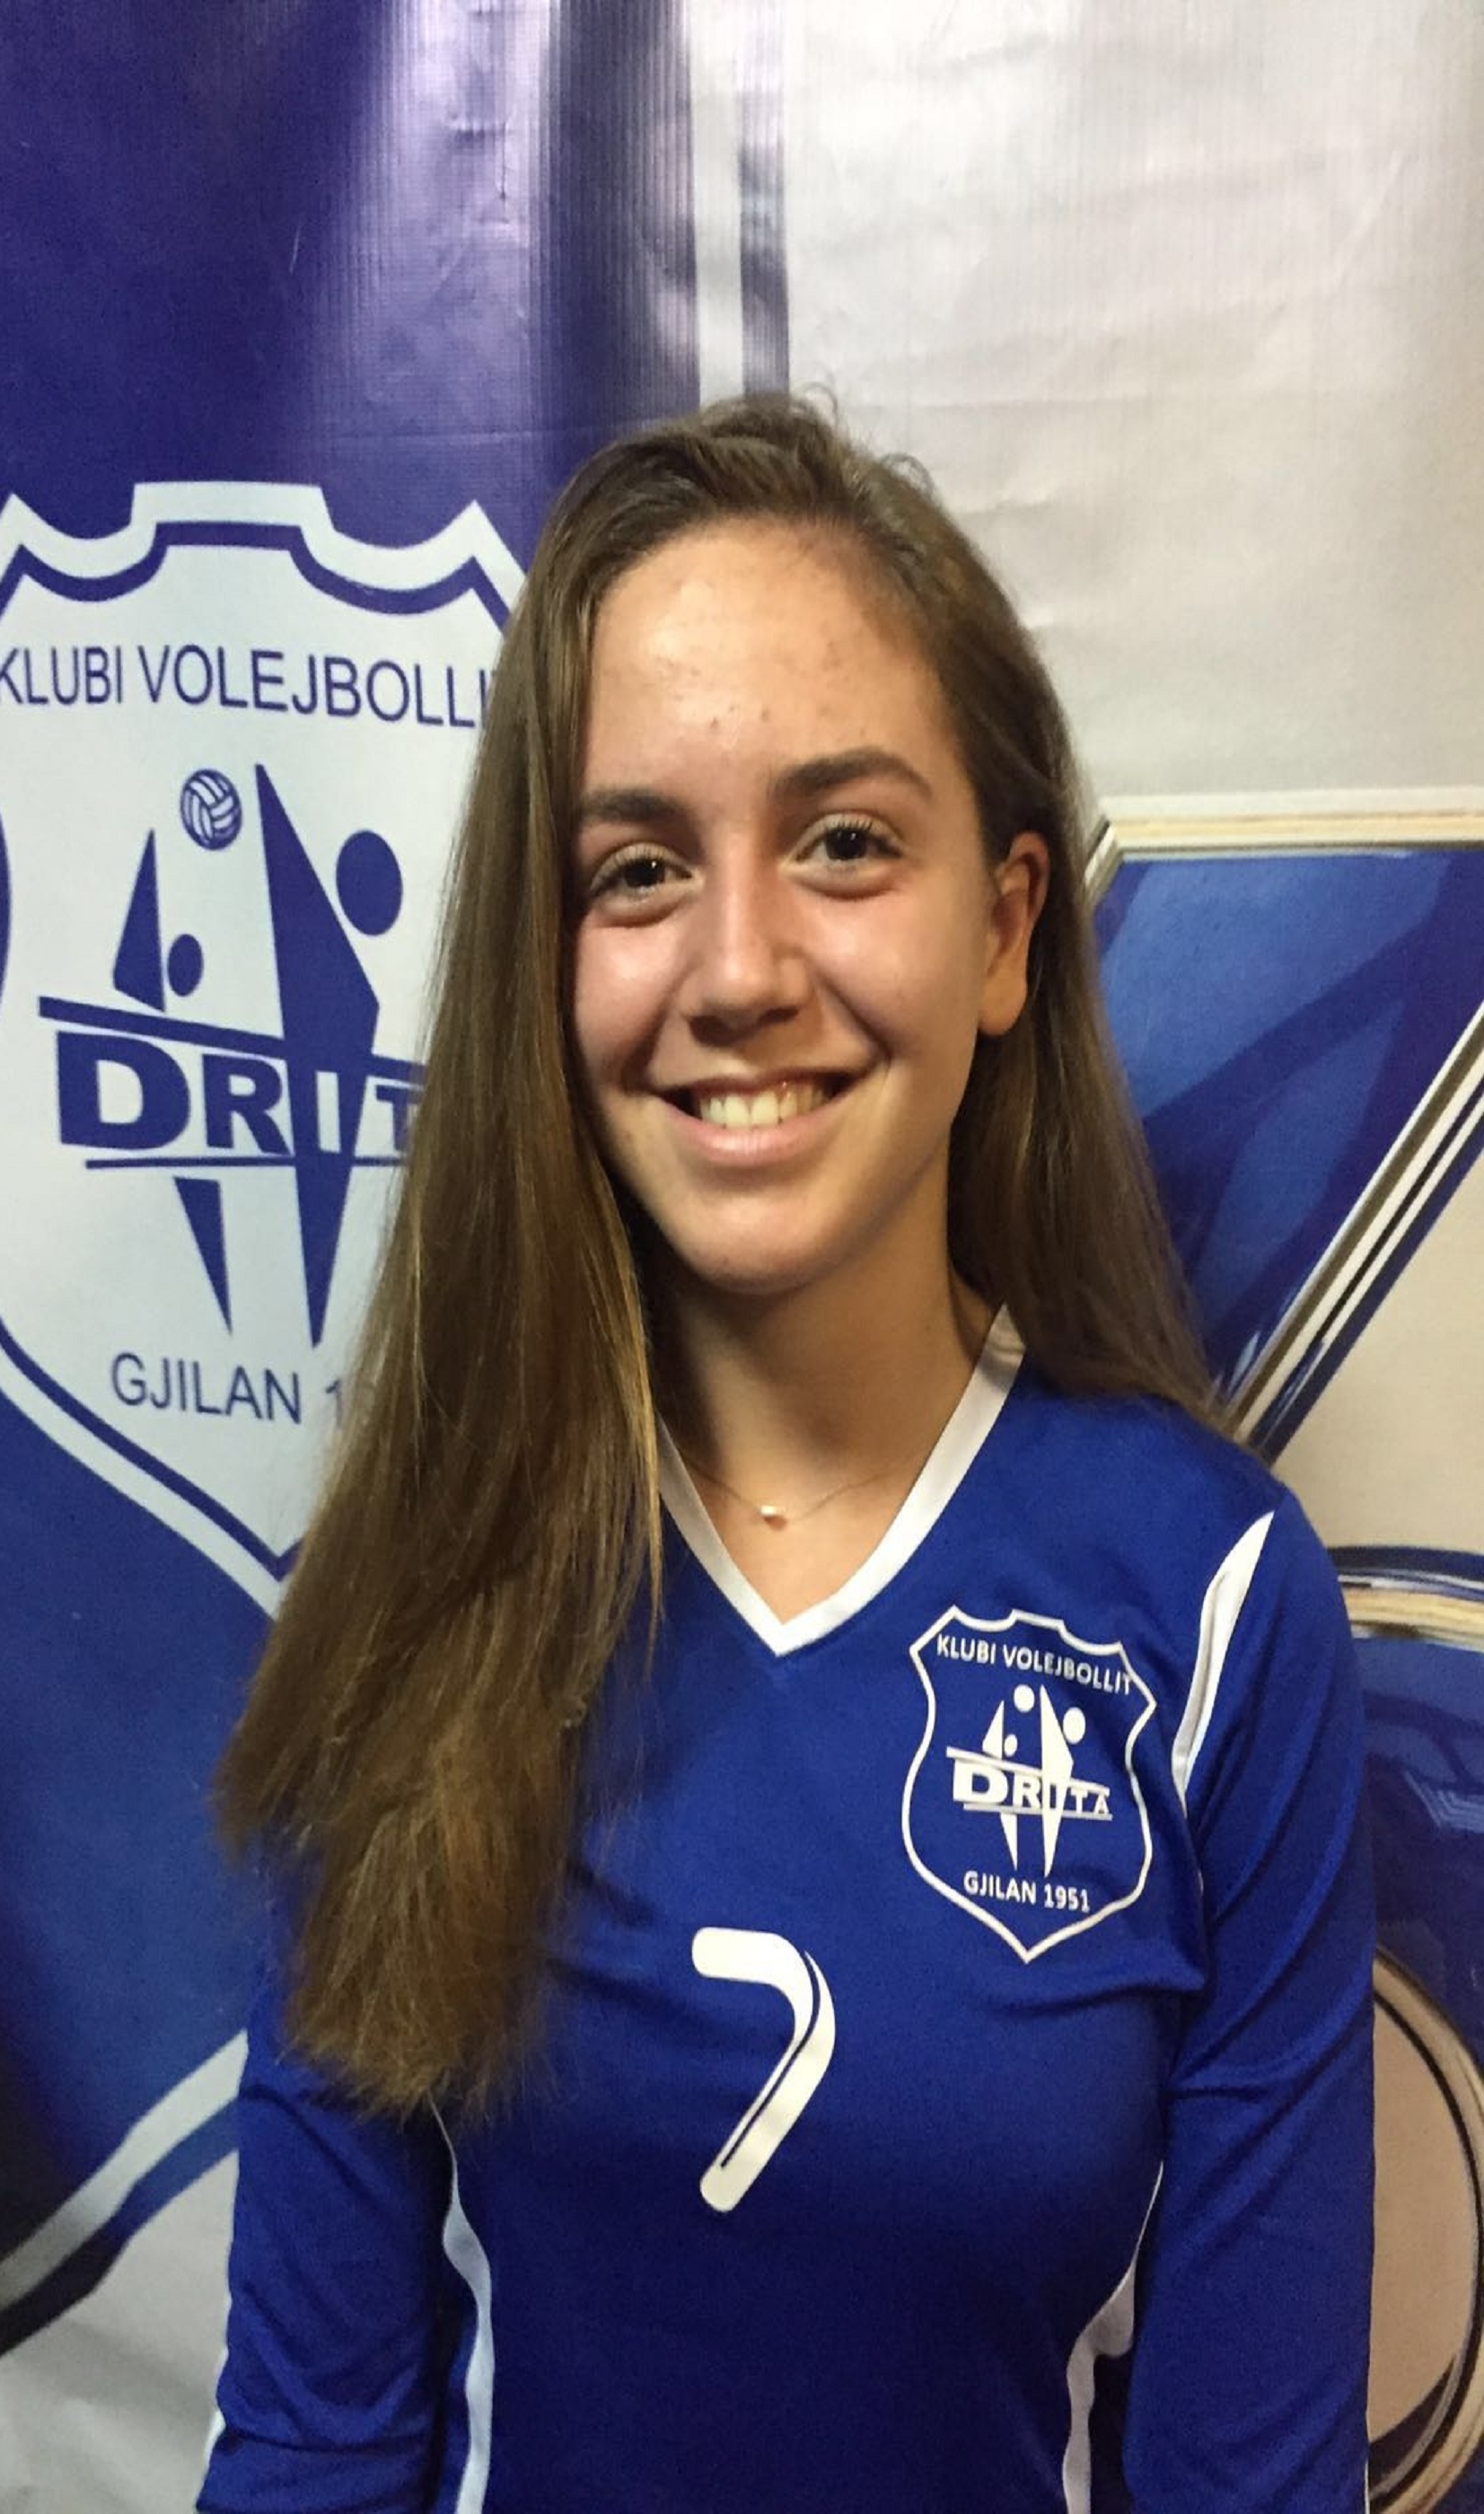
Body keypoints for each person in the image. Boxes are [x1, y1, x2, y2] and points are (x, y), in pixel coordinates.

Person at [198, 397, 1374, 2512]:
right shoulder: (414, 1596)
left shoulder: (1211, 1605)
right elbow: (311, 2447)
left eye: (843, 841)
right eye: (639, 869)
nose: (738, 970)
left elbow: (1251, 2482)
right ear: (547, 961)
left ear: (1005, 927)